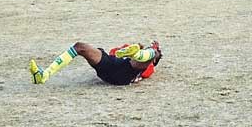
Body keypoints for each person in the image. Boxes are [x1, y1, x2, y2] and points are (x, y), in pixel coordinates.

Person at [29, 41, 162, 86]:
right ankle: (44, 75)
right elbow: (114, 52)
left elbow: (141, 71)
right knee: (79, 46)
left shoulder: (149, 68)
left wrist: (153, 52)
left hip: (125, 75)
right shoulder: (126, 50)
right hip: (110, 65)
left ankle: (138, 54)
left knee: (153, 53)